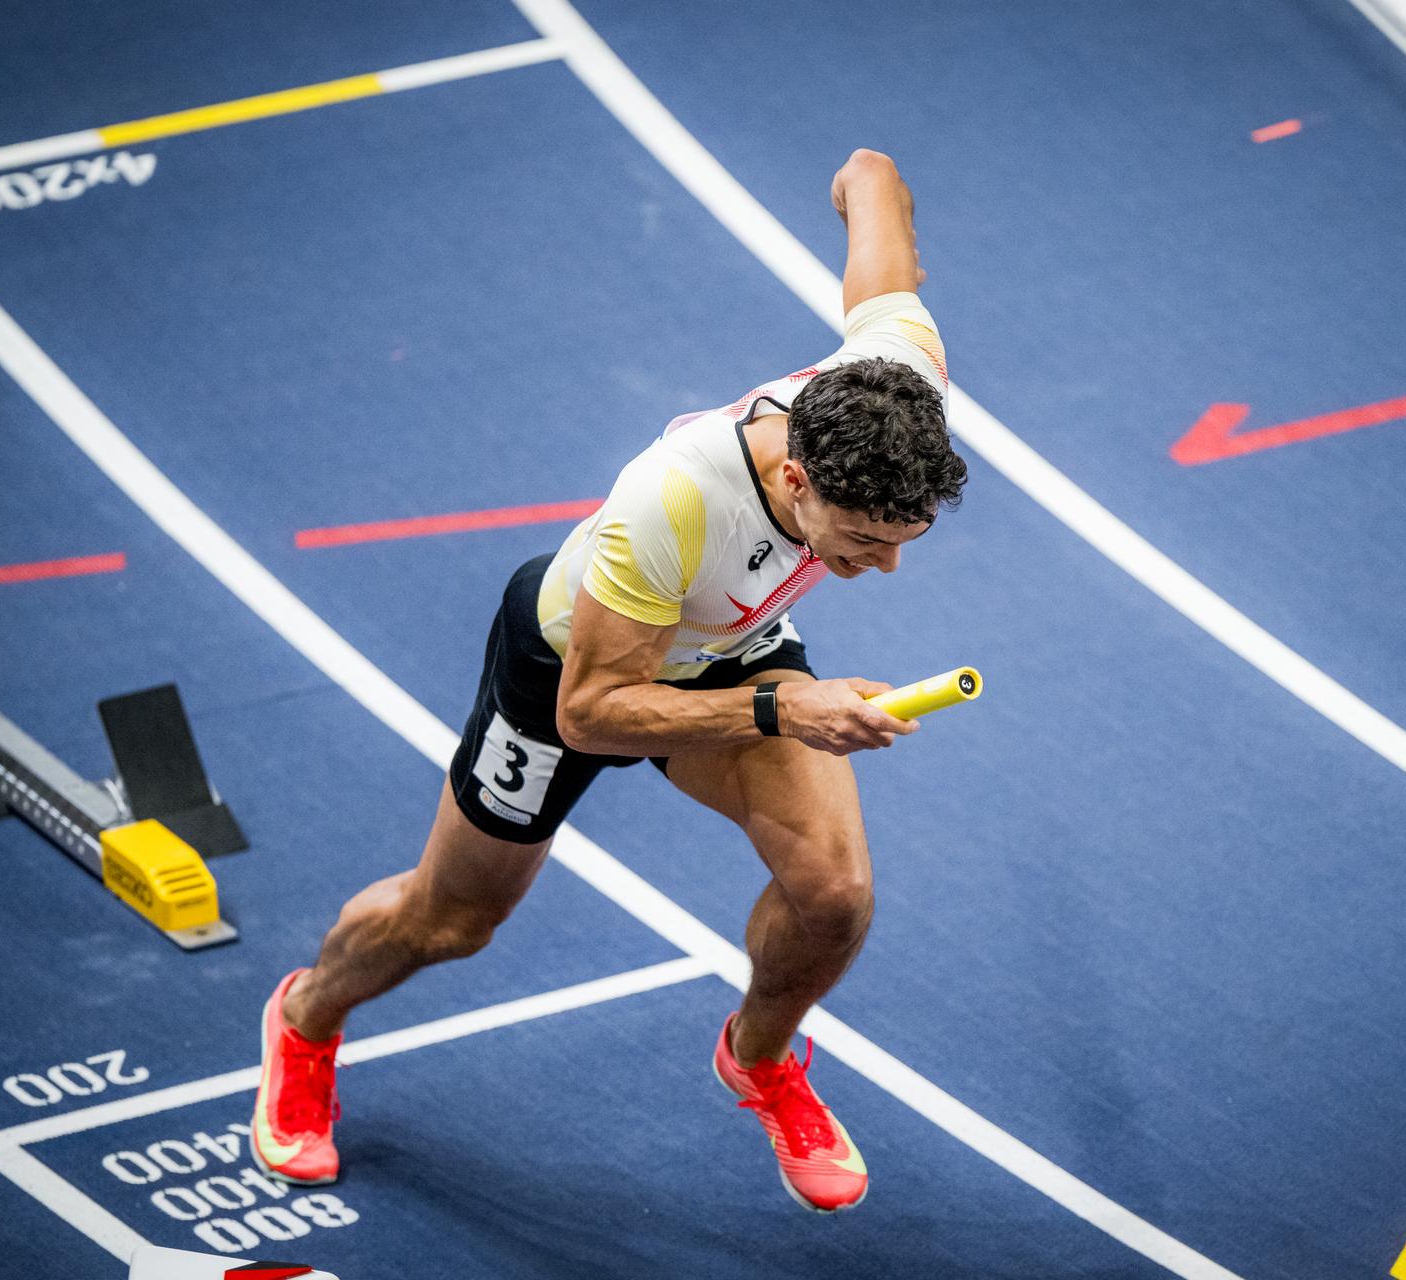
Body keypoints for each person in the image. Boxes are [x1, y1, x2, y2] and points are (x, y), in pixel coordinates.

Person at [250, 147, 966, 1214]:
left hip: (732, 647)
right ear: (792, 477)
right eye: (862, 541)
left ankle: (759, 1056)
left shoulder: (898, 380)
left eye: (902, 538)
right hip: (573, 669)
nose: (885, 566)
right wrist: (783, 703)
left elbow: (878, 210)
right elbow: (593, 710)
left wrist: (862, 178)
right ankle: (306, 1019)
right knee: (453, 918)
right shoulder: (672, 500)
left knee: (834, 895)